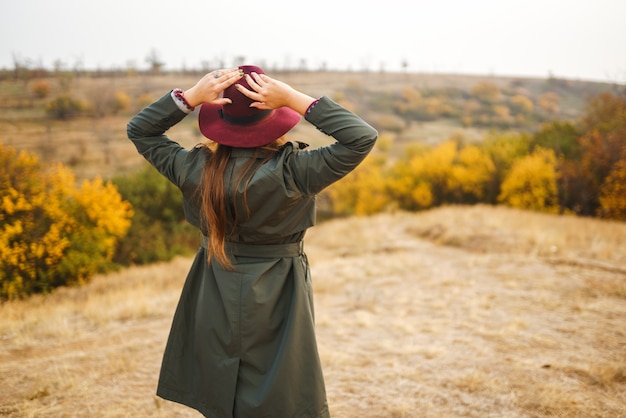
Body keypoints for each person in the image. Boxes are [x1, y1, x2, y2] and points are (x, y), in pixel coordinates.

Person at [127, 65, 378, 418]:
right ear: (276, 120)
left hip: (214, 285)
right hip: (280, 290)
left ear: (222, 121)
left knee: (221, 380)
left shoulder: (194, 169)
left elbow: (140, 131)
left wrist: (189, 98)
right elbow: (361, 137)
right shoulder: (296, 172)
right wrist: (294, 98)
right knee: (281, 387)